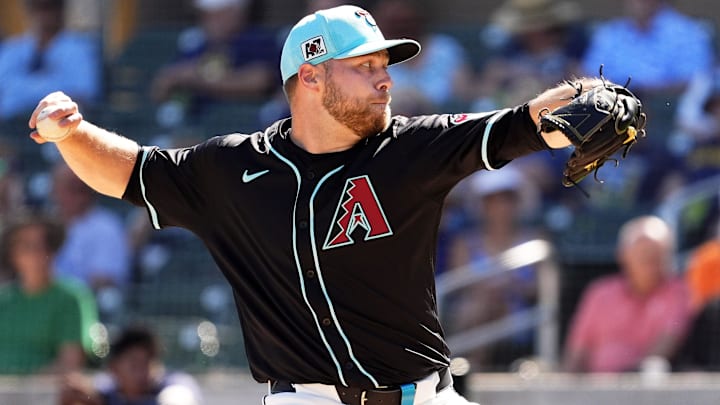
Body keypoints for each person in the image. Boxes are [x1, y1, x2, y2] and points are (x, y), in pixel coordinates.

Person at [30, 4, 618, 404]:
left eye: (385, 66)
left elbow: (520, 123)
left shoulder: (412, 147)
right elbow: (130, 171)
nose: (384, 79)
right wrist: (70, 134)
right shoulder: (233, 168)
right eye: (364, 67)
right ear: (311, 79)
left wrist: (591, 96)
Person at [562, 216, 692, 373]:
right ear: (623, 255)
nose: (652, 261)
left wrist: (625, 385)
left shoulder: (679, 292)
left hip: (645, 391)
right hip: (591, 389)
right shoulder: (599, 293)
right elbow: (576, 352)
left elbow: (664, 347)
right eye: (644, 254)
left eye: (659, 254)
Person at [443, 166, 542, 371]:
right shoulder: (464, 244)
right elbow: (460, 285)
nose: (500, 207)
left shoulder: (536, 241)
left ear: (517, 203)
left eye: (507, 199)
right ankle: (474, 367)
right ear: (481, 205)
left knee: (486, 304)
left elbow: (541, 288)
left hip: (520, 318)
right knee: (478, 305)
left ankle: (471, 367)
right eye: (492, 200)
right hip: (475, 313)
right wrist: (491, 290)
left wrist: (510, 287)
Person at [0, 211, 97, 374]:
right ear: (13, 253)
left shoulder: (72, 298)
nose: (37, 252)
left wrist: (20, 391)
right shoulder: (4, 300)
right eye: (27, 245)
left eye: (44, 244)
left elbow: (70, 363)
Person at [150, 0, 279, 121]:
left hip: (238, 126)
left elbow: (260, 81)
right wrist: (176, 77)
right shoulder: (196, 44)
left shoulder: (257, 41)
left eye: (218, 15)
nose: (209, 21)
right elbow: (160, 89)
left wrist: (197, 78)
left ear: (237, 12)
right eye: (205, 15)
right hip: (194, 125)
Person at [580, 0, 713, 94]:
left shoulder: (688, 33)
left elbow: (697, 82)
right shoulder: (610, 33)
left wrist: (647, 93)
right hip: (612, 107)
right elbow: (588, 75)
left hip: (666, 114)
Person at [0, 0, 100, 120]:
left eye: (50, 6)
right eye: (38, 7)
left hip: (55, 129)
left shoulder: (80, 49)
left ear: (61, 8)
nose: (44, 14)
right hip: (8, 129)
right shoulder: (12, 49)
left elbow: (82, 95)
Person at [58, 325, 203, 405]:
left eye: (148, 363)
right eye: (134, 365)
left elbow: (176, 399)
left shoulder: (176, 384)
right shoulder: (105, 389)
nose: (143, 371)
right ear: (114, 368)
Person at [50, 161, 131, 292]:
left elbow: (106, 279)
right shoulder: (43, 224)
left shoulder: (107, 227)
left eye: (81, 188)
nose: (76, 196)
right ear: (53, 190)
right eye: (69, 188)